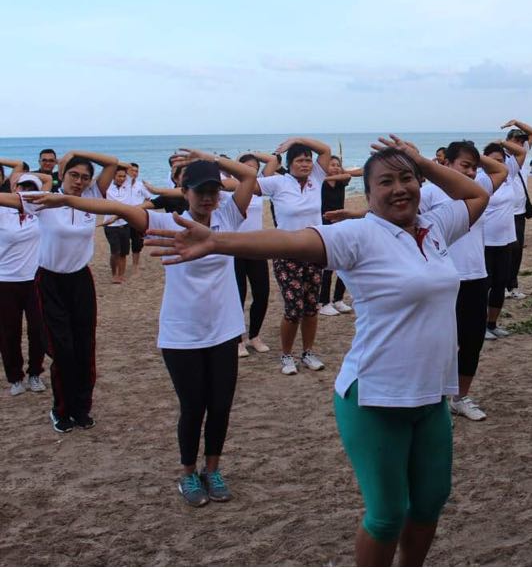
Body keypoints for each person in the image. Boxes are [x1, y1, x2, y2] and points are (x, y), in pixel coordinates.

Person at [146, 134, 489, 566]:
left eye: (407, 179)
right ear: (369, 194)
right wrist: (218, 242)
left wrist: (420, 160)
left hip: (432, 396)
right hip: (375, 396)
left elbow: (477, 193)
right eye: (385, 182)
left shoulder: (436, 226)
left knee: (429, 502)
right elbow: (290, 241)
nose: (399, 188)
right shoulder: (358, 235)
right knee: (387, 515)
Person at [29, 149, 257, 506]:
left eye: (213, 190)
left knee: (220, 405)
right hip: (182, 333)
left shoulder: (228, 216)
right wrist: (66, 199)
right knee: (193, 406)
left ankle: (212, 470)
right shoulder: (168, 223)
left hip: (225, 329)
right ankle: (188, 474)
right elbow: (117, 209)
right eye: (200, 190)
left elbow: (249, 177)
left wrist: (208, 158)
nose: (208, 197)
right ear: (185, 192)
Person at [0, 150, 118, 432]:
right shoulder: (45, 200)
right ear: (61, 175)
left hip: (81, 281)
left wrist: (76, 153)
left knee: (85, 348)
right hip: (49, 281)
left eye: (85, 177)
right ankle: (61, 410)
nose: (79, 181)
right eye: (74, 175)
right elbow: (8, 199)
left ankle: (82, 409)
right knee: (62, 349)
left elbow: (112, 163)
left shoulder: (91, 198)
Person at [419, 140, 508, 421]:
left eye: (474, 167)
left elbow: (502, 170)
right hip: (441, 278)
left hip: (476, 276)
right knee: (438, 343)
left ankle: (460, 398)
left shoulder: (479, 187)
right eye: (464, 165)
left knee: (471, 342)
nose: (471, 172)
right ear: (445, 163)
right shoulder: (428, 192)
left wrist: (475, 158)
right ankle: (432, 401)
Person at [254, 136, 335, 375]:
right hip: (287, 254)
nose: (305, 164)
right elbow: (248, 185)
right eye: (300, 160)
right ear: (289, 164)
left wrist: (296, 140)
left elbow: (326, 150)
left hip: (315, 251)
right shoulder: (278, 183)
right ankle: (286, 355)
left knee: (311, 307)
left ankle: (308, 352)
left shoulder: (316, 179)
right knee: (293, 308)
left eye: (308, 160)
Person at [0, 162, 50, 396]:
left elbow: (48, 181)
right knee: (9, 332)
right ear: (14, 188)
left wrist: (31, 177)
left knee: (38, 330)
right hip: (5, 280)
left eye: (32, 188)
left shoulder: (42, 212)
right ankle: (15, 378)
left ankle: (35, 374)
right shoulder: (2, 210)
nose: (27, 192)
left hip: (35, 280)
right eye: (23, 187)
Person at [481, 138, 526, 339]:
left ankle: (492, 324)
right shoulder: (479, 179)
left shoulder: (508, 175)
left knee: (500, 284)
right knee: (484, 286)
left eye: (500, 160)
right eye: (492, 160)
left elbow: (521, 152)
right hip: (485, 242)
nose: (497, 164)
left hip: (506, 241)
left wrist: (502, 142)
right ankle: (480, 326)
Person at [232, 152, 277, 357]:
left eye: (254, 168)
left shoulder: (260, 185)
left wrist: (251, 153)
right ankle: (237, 340)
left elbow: (273, 161)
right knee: (237, 295)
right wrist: (238, 161)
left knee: (262, 293)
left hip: (257, 246)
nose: (251, 171)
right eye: (247, 167)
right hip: (234, 247)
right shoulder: (231, 186)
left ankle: (254, 336)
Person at [319, 154, 363, 316]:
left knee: (344, 263)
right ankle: (323, 302)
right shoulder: (319, 183)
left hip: (340, 223)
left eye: (338, 164)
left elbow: (347, 175)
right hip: (324, 224)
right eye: (332, 165)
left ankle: (338, 299)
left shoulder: (341, 181)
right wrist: (323, 178)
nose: (335, 167)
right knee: (328, 265)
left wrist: (329, 176)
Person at [502, 119, 532, 300]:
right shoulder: (500, 158)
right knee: (504, 250)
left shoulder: (523, 153)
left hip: (519, 212)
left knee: (516, 252)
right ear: (507, 141)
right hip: (504, 211)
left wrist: (516, 122)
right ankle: (501, 286)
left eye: (521, 141)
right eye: (516, 140)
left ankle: (512, 286)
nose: (519, 143)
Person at [100, 165, 134, 284]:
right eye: (119, 176)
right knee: (115, 252)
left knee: (124, 253)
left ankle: (121, 275)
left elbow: (129, 167)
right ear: (113, 176)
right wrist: (114, 166)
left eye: (124, 176)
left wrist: (124, 170)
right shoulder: (108, 187)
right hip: (111, 226)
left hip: (125, 224)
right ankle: (114, 274)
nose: (122, 178)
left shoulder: (127, 185)